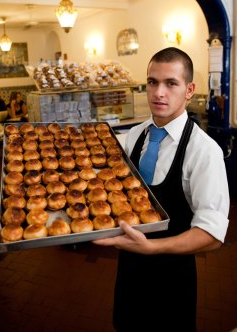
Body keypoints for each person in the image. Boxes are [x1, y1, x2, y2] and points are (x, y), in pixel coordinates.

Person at [94, 47, 230, 332]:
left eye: (171, 83)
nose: (159, 93)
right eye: (153, 82)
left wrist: (151, 247)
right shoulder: (135, 135)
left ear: (189, 89)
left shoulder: (204, 152)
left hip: (172, 278)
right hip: (129, 271)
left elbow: (212, 235)